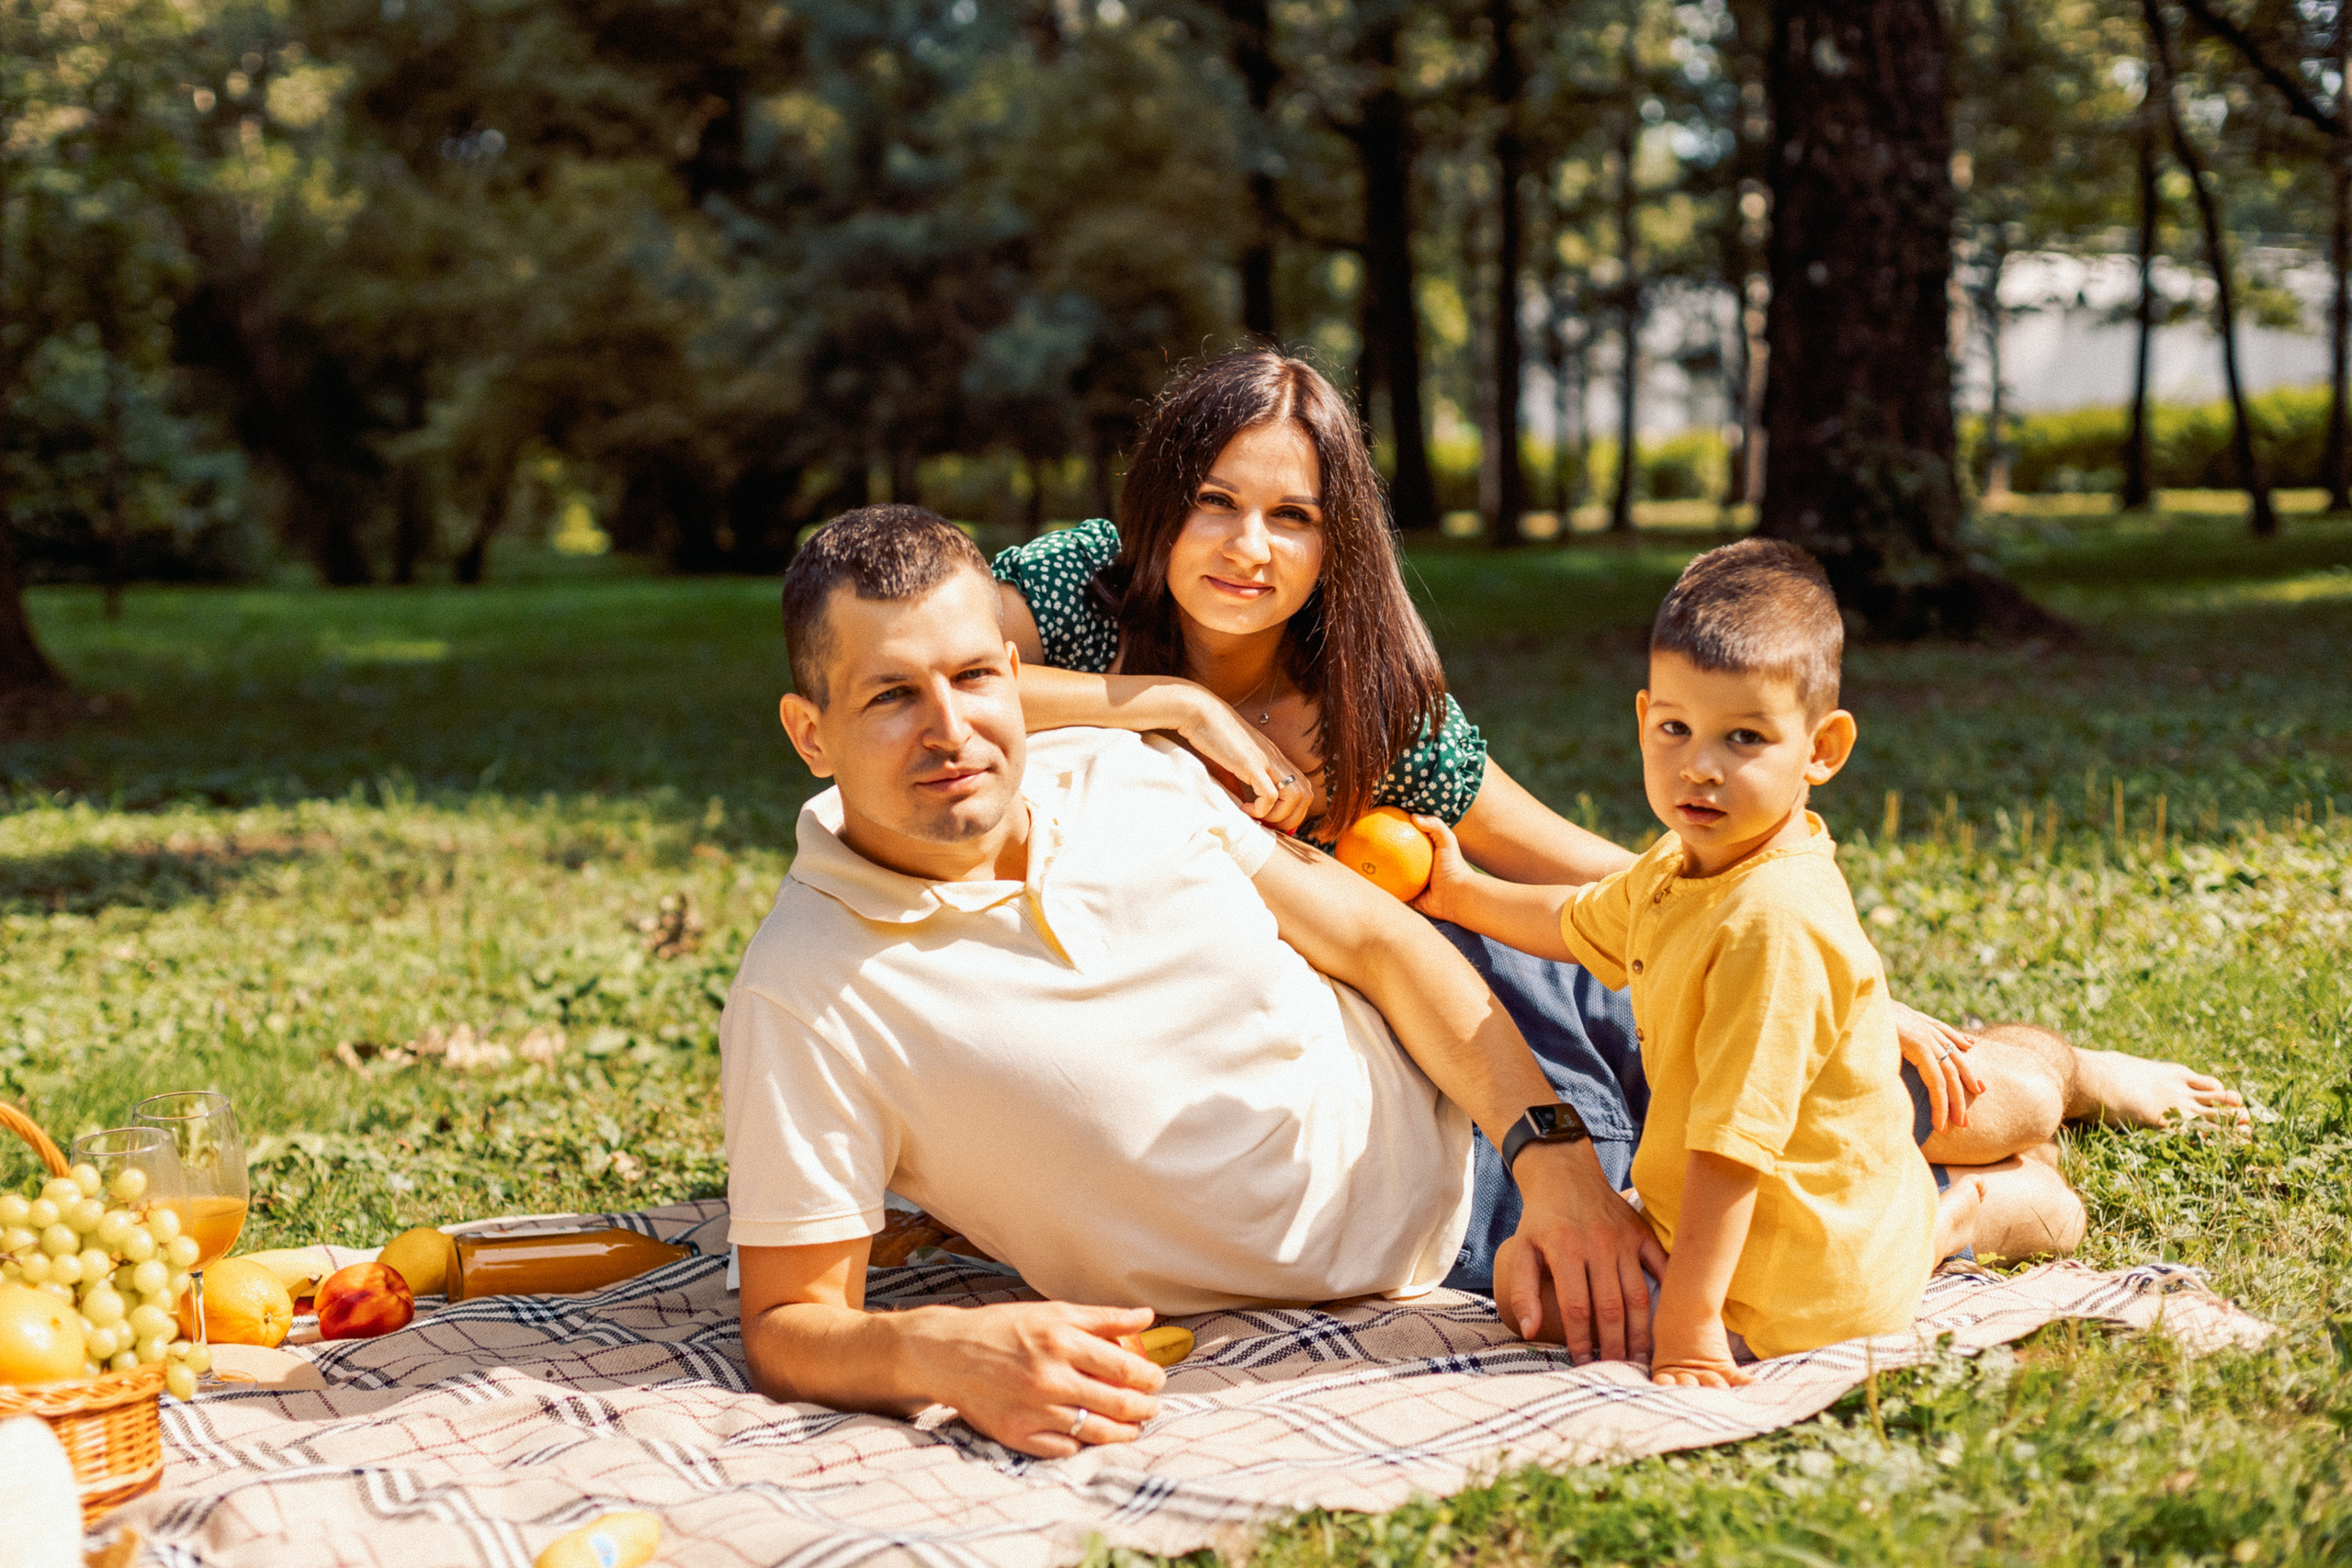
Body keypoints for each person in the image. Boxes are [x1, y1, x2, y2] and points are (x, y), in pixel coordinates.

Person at [989, 347, 2245, 1261]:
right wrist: (1166, 703)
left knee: (1939, 1108)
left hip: (1535, 1001)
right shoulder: (1071, 590)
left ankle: (2058, 1072)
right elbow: (931, 680)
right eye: (1213, 498)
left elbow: (1578, 857)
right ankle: (1963, 1200)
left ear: (1336, 546)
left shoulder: (1366, 698)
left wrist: (1861, 975)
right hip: (1382, 1074)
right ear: (1159, 495)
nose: (1244, 544)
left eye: (1290, 515)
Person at [723, 506, 1665, 1459]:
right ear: (810, 733)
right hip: (1471, 1248)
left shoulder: (1122, 772)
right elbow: (791, 1326)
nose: (950, 729)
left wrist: (1558, 1160)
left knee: (1788, 1014)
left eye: (973, 677)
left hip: (1524, 1043)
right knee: (1787, 1280)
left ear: (1013, 678)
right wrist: (936, 1351)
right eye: (891, 695)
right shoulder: (804, 992)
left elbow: (1380, 940)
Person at [1418, 541, 1944, 1384]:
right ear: (1643, 718)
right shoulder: (1683, 863)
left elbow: (1731, 1150)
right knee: (1533, 1265)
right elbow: (1581, 919)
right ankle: (1965, 1210)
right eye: (1676, 729)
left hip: (1783, 1289)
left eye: (1745, 737)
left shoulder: (1771, 922)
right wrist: (1462, 894)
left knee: (1534, 1294)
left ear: (1823, 748)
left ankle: (1974, 1215)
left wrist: (1692, 1323)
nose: (1700, 765)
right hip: (1813, 1215)